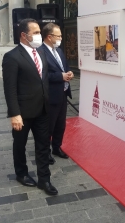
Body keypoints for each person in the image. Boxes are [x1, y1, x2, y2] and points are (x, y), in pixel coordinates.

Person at [2, 18, 58, 196]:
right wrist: (15, 114)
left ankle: (44, 180)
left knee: (43, 145)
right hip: (23, 113)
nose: (39, 36)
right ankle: (22, 173)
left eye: (39, 32)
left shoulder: (41, 52)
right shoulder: (12, 57)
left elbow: (44, 79)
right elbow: (9, 88)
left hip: (42, 109)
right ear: (23, 35)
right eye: (35, 33)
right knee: (20, 145)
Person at [38, 23, 73, 165]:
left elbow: (64, 66)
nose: (61, 38)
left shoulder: (58, 50)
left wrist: (69, 72)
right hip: (50, 96)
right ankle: (45, 152)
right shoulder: (40, 52)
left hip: (63, 93)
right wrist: (60, 76)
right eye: (58, 36)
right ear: (49, 36)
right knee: (49, 126)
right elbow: (41, 75)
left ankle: (57, 147)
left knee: (60, 125)